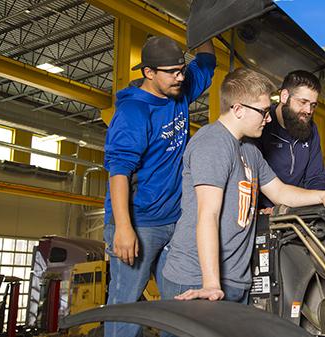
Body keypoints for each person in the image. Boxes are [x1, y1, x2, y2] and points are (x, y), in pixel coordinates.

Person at [161, 68, 325, 307]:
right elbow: (208, 215)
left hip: (235, 279)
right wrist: (210, 282)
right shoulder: (213, 143)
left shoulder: (250, 150)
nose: (268, 118)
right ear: (238, 109)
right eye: (263, 112)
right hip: (197, 279)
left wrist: (323, 196)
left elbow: (280, 192)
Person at [103, 36, 215, 337]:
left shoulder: (179, 88)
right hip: (139, 223)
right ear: (148, 73)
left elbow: (206, 62)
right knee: (126, 309)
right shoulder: (133, 112)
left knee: (180, 308)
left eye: (181, 69)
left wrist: (203, 28)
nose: (181, 76)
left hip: (174, 222)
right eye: (172, 72)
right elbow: (118, 171)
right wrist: (124, 228)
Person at [257, 70, 325, 208]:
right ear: (284, 96)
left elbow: (316, 177)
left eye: (313, 105)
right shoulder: (260, 125)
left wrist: (315, 207)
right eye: (303, 102)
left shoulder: (311, 129)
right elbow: (253, 176)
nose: (308, 110)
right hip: (264, 212)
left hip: (299, 209)